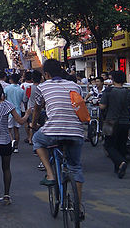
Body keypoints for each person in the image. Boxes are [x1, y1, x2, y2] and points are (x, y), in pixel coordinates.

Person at [31, 59, 85, 219]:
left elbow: (37, 108)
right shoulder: (75, 86)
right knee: (75, 167)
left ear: (46, 74)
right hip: (76, 132)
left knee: (37, 140)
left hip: (53, 130)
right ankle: (78, 207)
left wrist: (33, 124)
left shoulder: (42, 87)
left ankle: (50, 173)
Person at [99, 71, 130, 178]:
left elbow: (102, 106)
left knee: (109, 145)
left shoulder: (108, 91)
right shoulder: (129, 92)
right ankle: (118, 169)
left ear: (113, 80)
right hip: (125, 122)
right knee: (121, 145)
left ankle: (121, 162)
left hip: (110, 122)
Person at [4, 73, 25, 153]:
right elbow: (23, 100)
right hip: (18, 111)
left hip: (8, 112)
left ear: (11, 80)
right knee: (17, 130)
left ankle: (11, 141)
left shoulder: (7, 88)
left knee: (8, 130)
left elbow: (3, 98)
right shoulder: (21, 90)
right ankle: (16, 147)